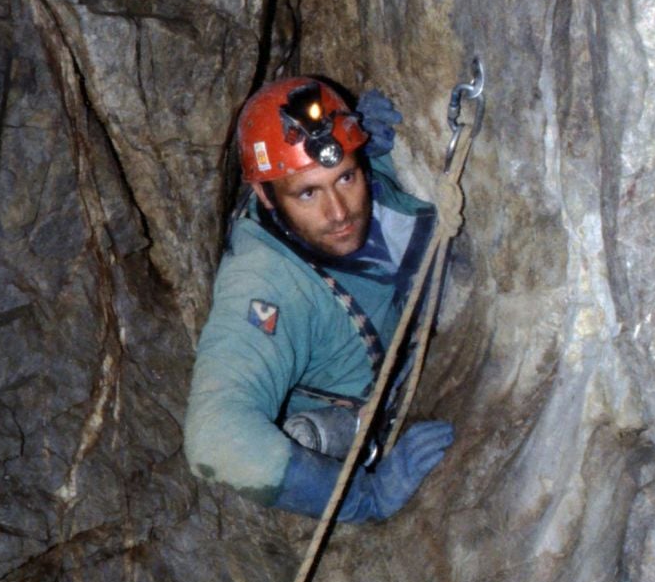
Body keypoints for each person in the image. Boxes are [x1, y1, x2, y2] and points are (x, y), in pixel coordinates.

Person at [184, 76, 455, 522]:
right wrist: (361, 498)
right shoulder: (266, 285)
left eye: (346, 177)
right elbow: (215, 438)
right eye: (307, 193)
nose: (339, 212)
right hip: (352, 422)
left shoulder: (362, 182)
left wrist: (377, 155)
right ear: (265, 196)